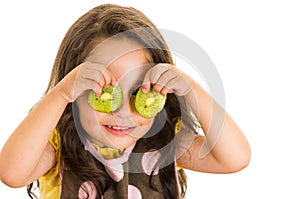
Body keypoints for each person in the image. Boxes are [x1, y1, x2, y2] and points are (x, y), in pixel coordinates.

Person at [0, 3, 251, 199]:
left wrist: (191, 89)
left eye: (136, 93)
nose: (122, 112)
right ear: (74, 98)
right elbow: (11, 173)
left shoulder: (165, 145)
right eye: (101, 93)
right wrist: (60, 93)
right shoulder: (59, 150)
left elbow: (235, 158)